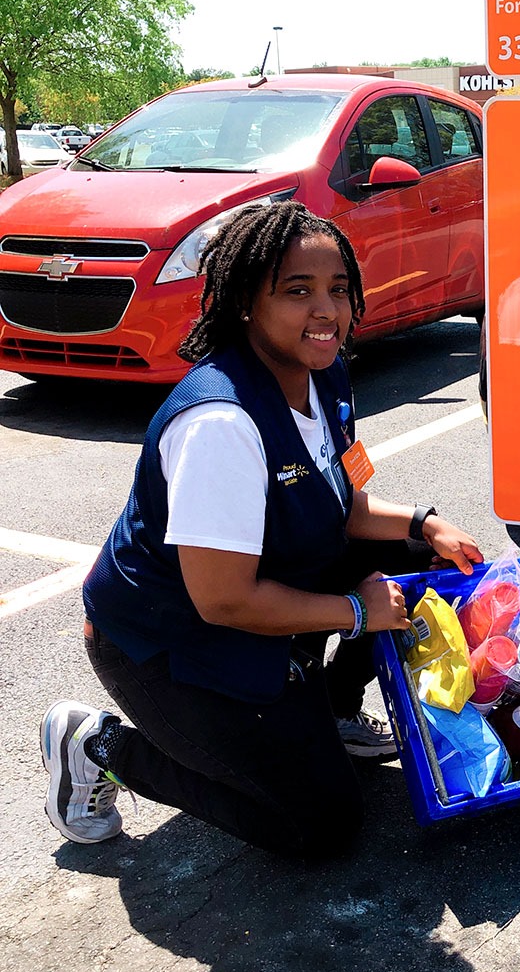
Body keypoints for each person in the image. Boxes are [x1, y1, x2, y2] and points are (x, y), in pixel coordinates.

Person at [40, 201, 484, 856]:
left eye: (338, 289)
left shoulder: (322, 370)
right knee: (320, 828)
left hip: (262, 583)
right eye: (298, 291)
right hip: (171, 641)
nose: (327, 311)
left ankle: (330, 708)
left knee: (425, 556)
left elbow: (344, 503)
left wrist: (427, 522)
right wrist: (356, 612)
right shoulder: (219, 425)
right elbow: (223, 601)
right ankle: (100, 747)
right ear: (246, 301)